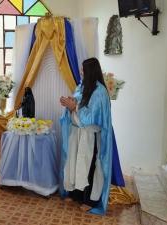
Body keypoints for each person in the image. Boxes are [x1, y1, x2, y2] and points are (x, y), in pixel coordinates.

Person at [59, 57, 113, 215]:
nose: (81, 73)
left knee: (88, 166)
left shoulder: (100, 92)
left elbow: (92, 117)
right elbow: (77, 104)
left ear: (90, 71)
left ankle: (89, 200)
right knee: (75, 163)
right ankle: (76, 195)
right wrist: (69, 104)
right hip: (77, 132)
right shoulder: (82, 86)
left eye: (83, 70)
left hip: (89, 134)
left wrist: (75, 106)